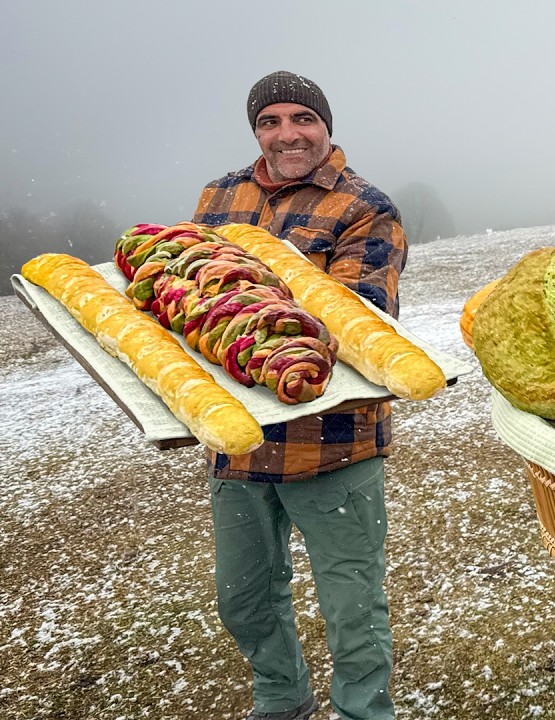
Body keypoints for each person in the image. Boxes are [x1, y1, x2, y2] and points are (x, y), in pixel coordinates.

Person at [192, 70, 408, 720]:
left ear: (325, 125)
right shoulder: (218, 196)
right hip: (239, 442)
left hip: (332, 443)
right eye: (270, 121)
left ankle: (364, 711)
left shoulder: (365, 207)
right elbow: (190, 292)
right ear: (256, 130)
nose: (287, 134)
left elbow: (356, 319)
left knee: (352, 610)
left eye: (301, 118)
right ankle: (282, 701)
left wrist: (232, 311)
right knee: (245, 597)